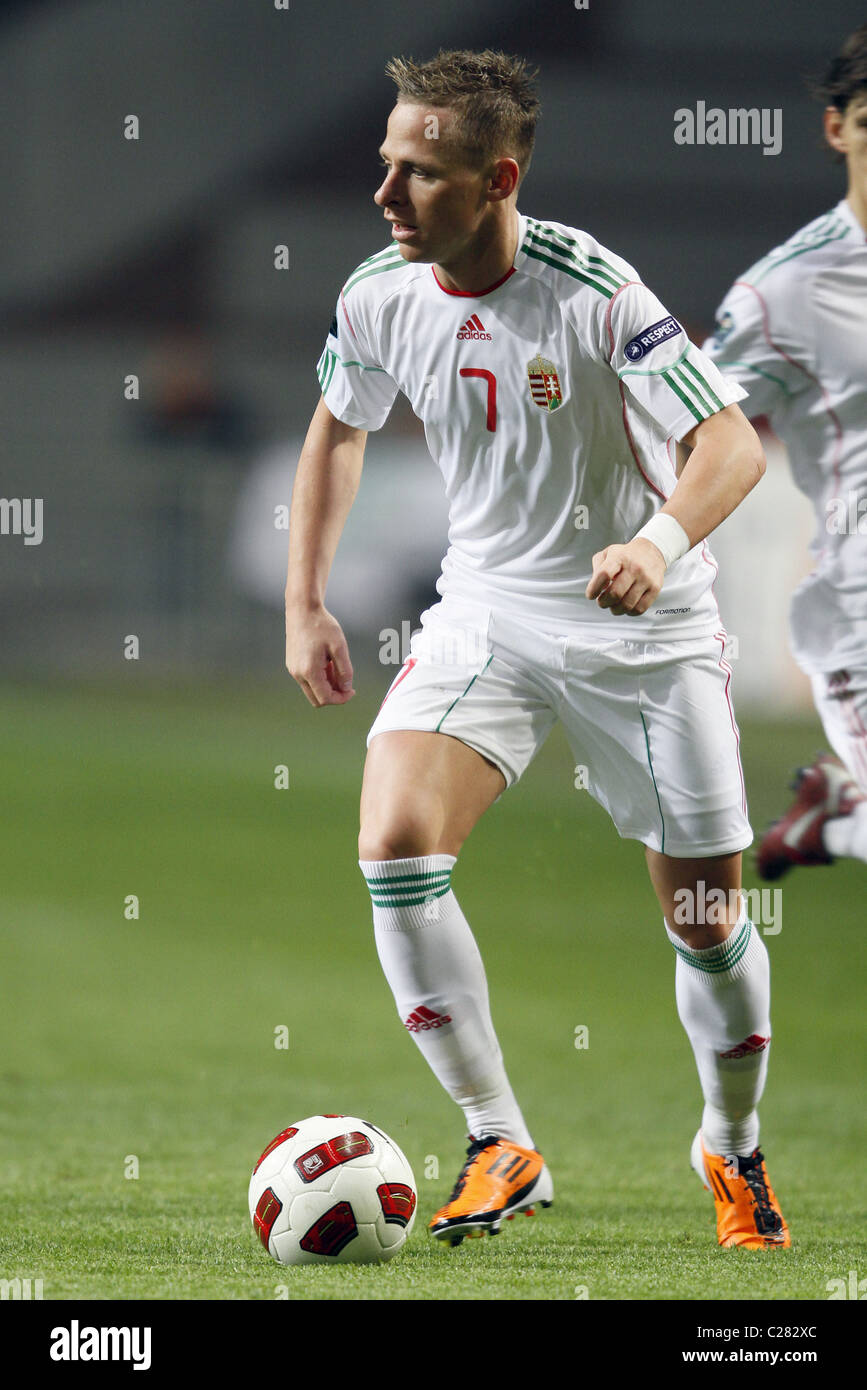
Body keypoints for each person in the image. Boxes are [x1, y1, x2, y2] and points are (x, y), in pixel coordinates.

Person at [285, 49, 788, 1250]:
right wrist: (305, 600)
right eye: (386, 164)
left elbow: (730, 448)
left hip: (645, 632)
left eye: (422, 172)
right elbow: (336, 433)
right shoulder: (376, 293)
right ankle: (496, 1135)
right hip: (491, 612)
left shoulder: (594, 289)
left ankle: (731, 1145)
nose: (388, 193)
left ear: (499, 177)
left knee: (710, 919)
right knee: (395, 840)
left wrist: (659, 544)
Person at [704, 24, 867, 879]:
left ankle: (837, 813)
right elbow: (682, 423)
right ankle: (831, 822)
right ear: (837, 128)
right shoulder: (784, 291)